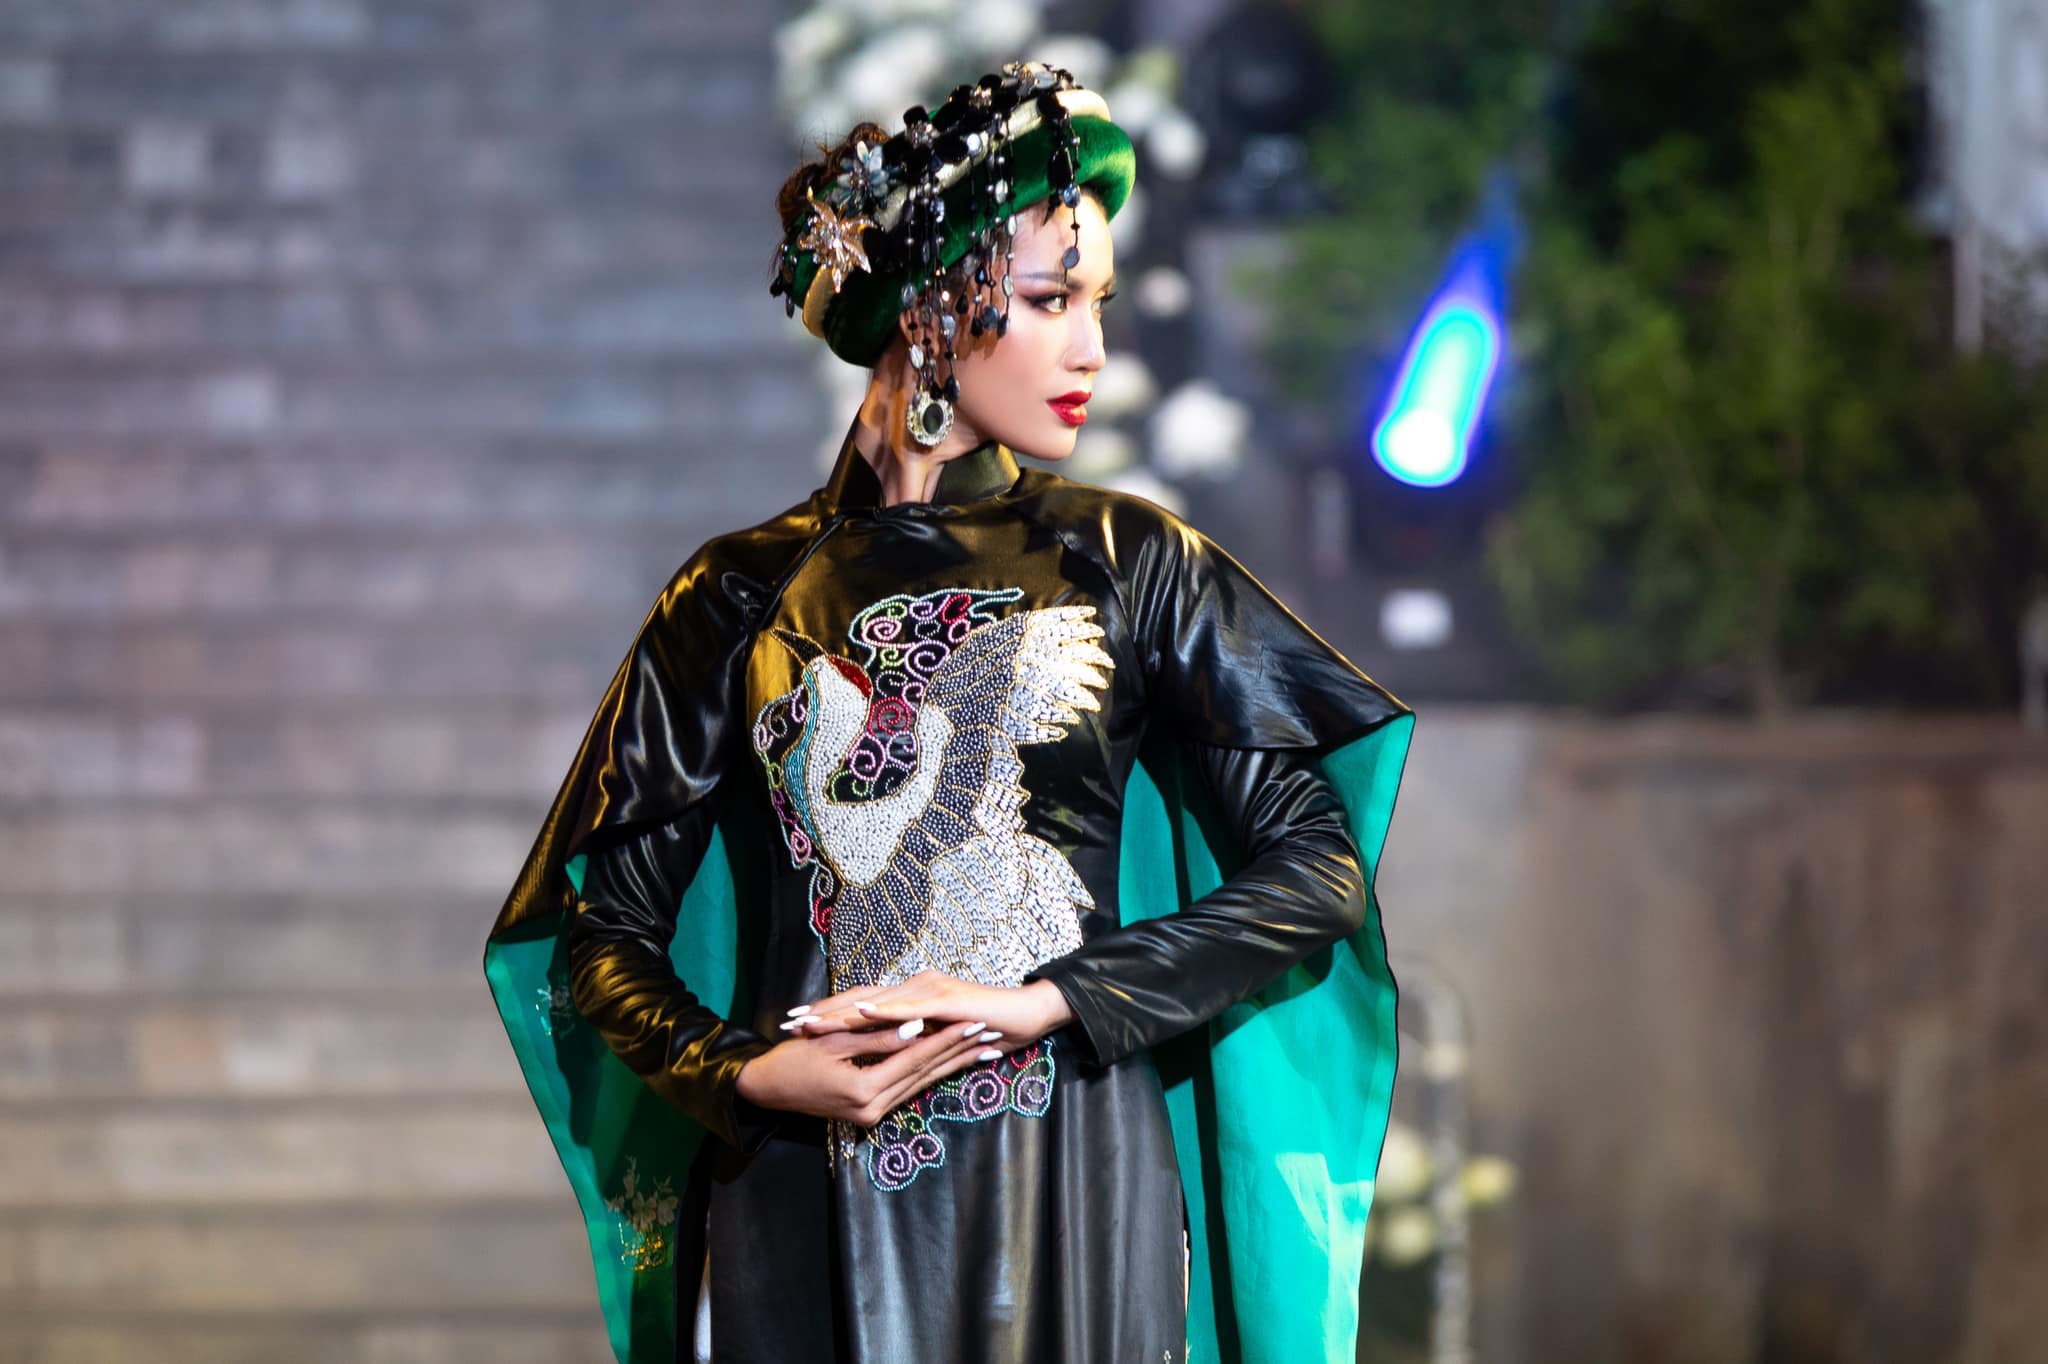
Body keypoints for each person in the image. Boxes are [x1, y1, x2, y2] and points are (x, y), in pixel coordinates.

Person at [483, 60, 1414, 1364]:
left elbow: (1316, 870)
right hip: (801, 1188)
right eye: (1048, 301)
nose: (1091, 349)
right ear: (931, 308)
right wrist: (743, 1072)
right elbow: (603, 935)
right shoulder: (738, 596)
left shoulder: (1128, 562)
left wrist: (1049, 1001)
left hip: (1074, 1177)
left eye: (1095, 303)